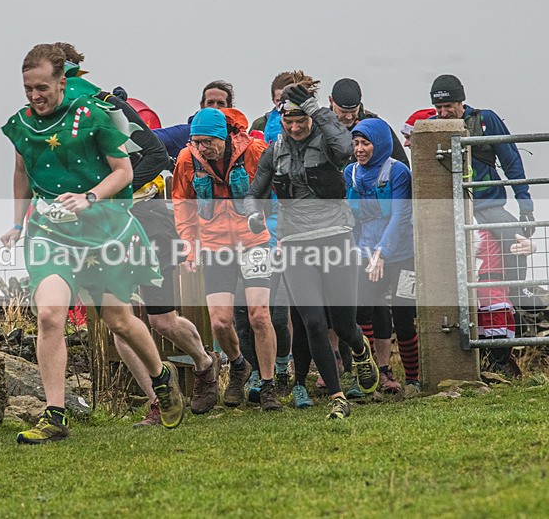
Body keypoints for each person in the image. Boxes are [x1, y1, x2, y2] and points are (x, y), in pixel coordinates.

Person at [0, 44, 185, 443]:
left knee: (118, 320)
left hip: (103, 230)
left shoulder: (95, 114)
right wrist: (17, 222)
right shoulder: (22, 124)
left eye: (42, 87)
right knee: (50, 316)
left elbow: (124, 171)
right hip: (50, 233)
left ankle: (161, 377)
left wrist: (90, 197)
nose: (35, 96)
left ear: (62, 82)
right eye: (28, 88)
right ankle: (54, 416)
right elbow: (21, 172)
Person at [54, 42, 219, 424]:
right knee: (120, 324)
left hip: (146, 218)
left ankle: (205, 363)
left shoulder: (109, 107)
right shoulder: (56, 128)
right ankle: (161, 401)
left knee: (162, 320)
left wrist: (113, 194)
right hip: (103, 230)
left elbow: (157, 156)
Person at [245, 75, 380, 419]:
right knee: (314, 323)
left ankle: (360, 348)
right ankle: (338, 397)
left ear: (310, 117)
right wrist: (254, 215)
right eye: (288, 122)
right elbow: (253, 194)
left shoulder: (328, 141)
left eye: (300, 121)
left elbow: (347, 149)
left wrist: (317, 111)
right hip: (294, 243)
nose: (294, 128)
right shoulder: (274, 150)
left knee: (343, 324)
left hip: (335, 236)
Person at [172, 107, 282, 411]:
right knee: (220, 322)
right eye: (197, 141)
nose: (202, 148)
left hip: (254, 240)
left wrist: (276, 234)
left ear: (223, 137)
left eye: (208, 142)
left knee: (259, 315)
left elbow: (276, 193)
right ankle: (238, 365)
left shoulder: (254, 151)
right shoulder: (187, 159)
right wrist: (189, 246)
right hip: (214, 244)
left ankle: (268, 385)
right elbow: (182, 204)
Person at [429, 74, 537, 309]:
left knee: (515, 238)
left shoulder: (485, 120)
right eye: (438, 108)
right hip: (451, 209)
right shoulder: (431, 127)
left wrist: (525, 206)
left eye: (448, 106)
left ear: (461, 102)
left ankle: (517, 290)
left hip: (488, 204)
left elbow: (511, 162)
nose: (443, 113)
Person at [345, 118, 421, 397]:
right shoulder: (351, 173)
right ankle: (371, 373)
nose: (359, 149)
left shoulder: (398, 171)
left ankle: (412, 380)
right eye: (356, 143)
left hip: (401, 254)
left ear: (379, 144)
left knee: (403, 315)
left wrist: (382, 253)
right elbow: (352, 219)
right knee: (362, 310)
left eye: (365, 143)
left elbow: (400, 216)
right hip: (367, 251)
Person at [475, 230, 536, 377]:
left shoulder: (494, 231)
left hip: (499, 285)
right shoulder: (485, 232)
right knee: (497, 323)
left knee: (503, 324)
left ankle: (495, 365)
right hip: (491, 286)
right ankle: (496, 367)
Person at [329, 78, 409, 167]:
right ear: (331, 101)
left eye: (353, 111)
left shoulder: (376, 126)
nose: (349, 117)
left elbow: (401, 163)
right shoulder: (321, 125)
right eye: (343, 111)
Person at [154, 80, 235, 162]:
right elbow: (150, 138)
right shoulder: (184, 134)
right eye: (210, 103)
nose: (215, 107)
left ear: (230, 107)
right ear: (202, 106)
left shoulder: (239, 136)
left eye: (220, 103)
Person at [250, 72, 291, 143]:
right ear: (273, 100)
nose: (282, 104)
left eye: (286, 100)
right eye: (278, 100)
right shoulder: (260, 124)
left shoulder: (304, 122)